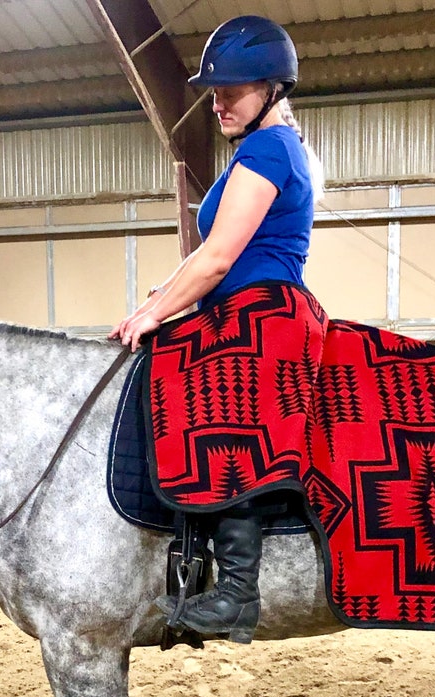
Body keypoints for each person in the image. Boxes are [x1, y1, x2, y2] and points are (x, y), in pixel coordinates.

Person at [109, 15, 321, 643]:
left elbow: (219, 257)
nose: (218, 102)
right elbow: (205, 259)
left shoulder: (268, 149)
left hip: (265, 315)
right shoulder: (262, 149)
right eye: (214, 91)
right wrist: (158, 300)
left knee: (223, 410)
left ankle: (236, 590)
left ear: (273, 90)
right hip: (241, 308)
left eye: (232, 91)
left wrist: (155, 313)